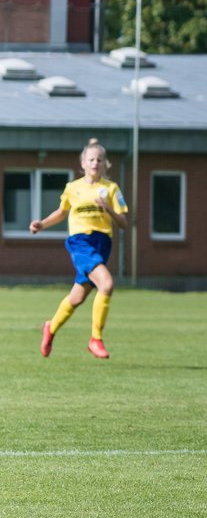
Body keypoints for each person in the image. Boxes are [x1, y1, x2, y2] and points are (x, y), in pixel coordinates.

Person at [30, 138, 129, 359]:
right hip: (81, 243)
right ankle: (96, 339)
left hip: (102, 243)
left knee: (77, 297)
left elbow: (124, 223)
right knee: (107, 283)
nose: (95, 163)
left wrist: (109, 210)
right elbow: (61, 212)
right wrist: (42, 224)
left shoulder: (111, 189)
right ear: (83, 163)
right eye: (91, 159)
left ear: (105, 165)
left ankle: (50, 328)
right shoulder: (72, 188)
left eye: (100, 160)